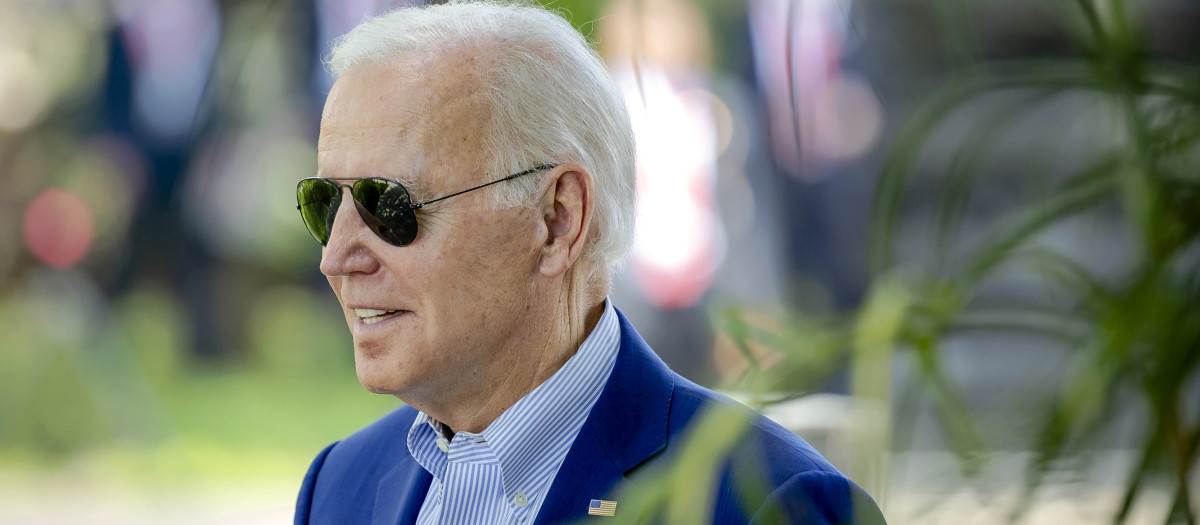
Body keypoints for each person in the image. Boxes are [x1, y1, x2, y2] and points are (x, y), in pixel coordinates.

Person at [292, 1, 885, 523]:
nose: (335, 258)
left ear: (556, 221)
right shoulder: (339, 486)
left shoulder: (768, 503)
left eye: (388, 204)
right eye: (323, 203)